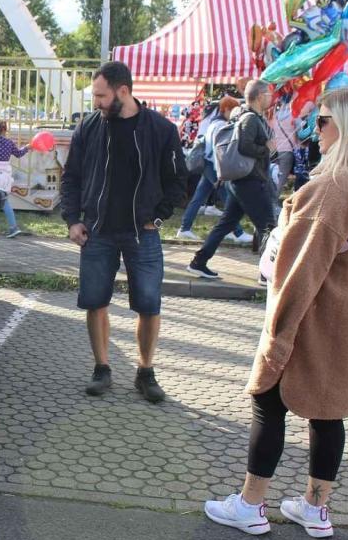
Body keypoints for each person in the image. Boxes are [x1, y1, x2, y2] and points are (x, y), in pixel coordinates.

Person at [203, 86, 348, 538]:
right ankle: (316, 508)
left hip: (312, 324)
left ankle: (251, 505)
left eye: (323, 120)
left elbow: (300, 271)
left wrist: (278, 335)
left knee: (266, 403)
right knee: (328, 413)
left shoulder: (335, 186)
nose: (315, 129)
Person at [60, 61, 186, 401]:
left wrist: (157, 218)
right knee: (94, 301)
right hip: (97, 231)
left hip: (142, 234)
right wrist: (72, 219)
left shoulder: (160, 129)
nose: (96, 103)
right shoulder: (89, 127)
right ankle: (102, 368)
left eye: (101, 96)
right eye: (95, 96)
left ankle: (145, 372)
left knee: (149, 304)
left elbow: (178, 182)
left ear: (123, 91)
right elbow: (71, 178)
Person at [187, 80, 277, 282]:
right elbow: (245, 146)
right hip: (250, 180)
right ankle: (266, 273)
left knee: (226, 223)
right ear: (260, 96)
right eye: (269, 95)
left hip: (240, 180)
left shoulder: (242, 115)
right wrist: (266, 149)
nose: (271, 99)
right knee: (267, 227)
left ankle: (198, 262)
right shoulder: (250, 120)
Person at [177, 96, 253, 244]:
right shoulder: (220, 125)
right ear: (226, 110)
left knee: (200, 197)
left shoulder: (214, 123)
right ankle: (237, 232)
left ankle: (185, 228)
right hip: (213, 165)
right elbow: (218, 150)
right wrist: (220, 171)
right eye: (233, 110)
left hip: (209, 164)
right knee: (228, 198)